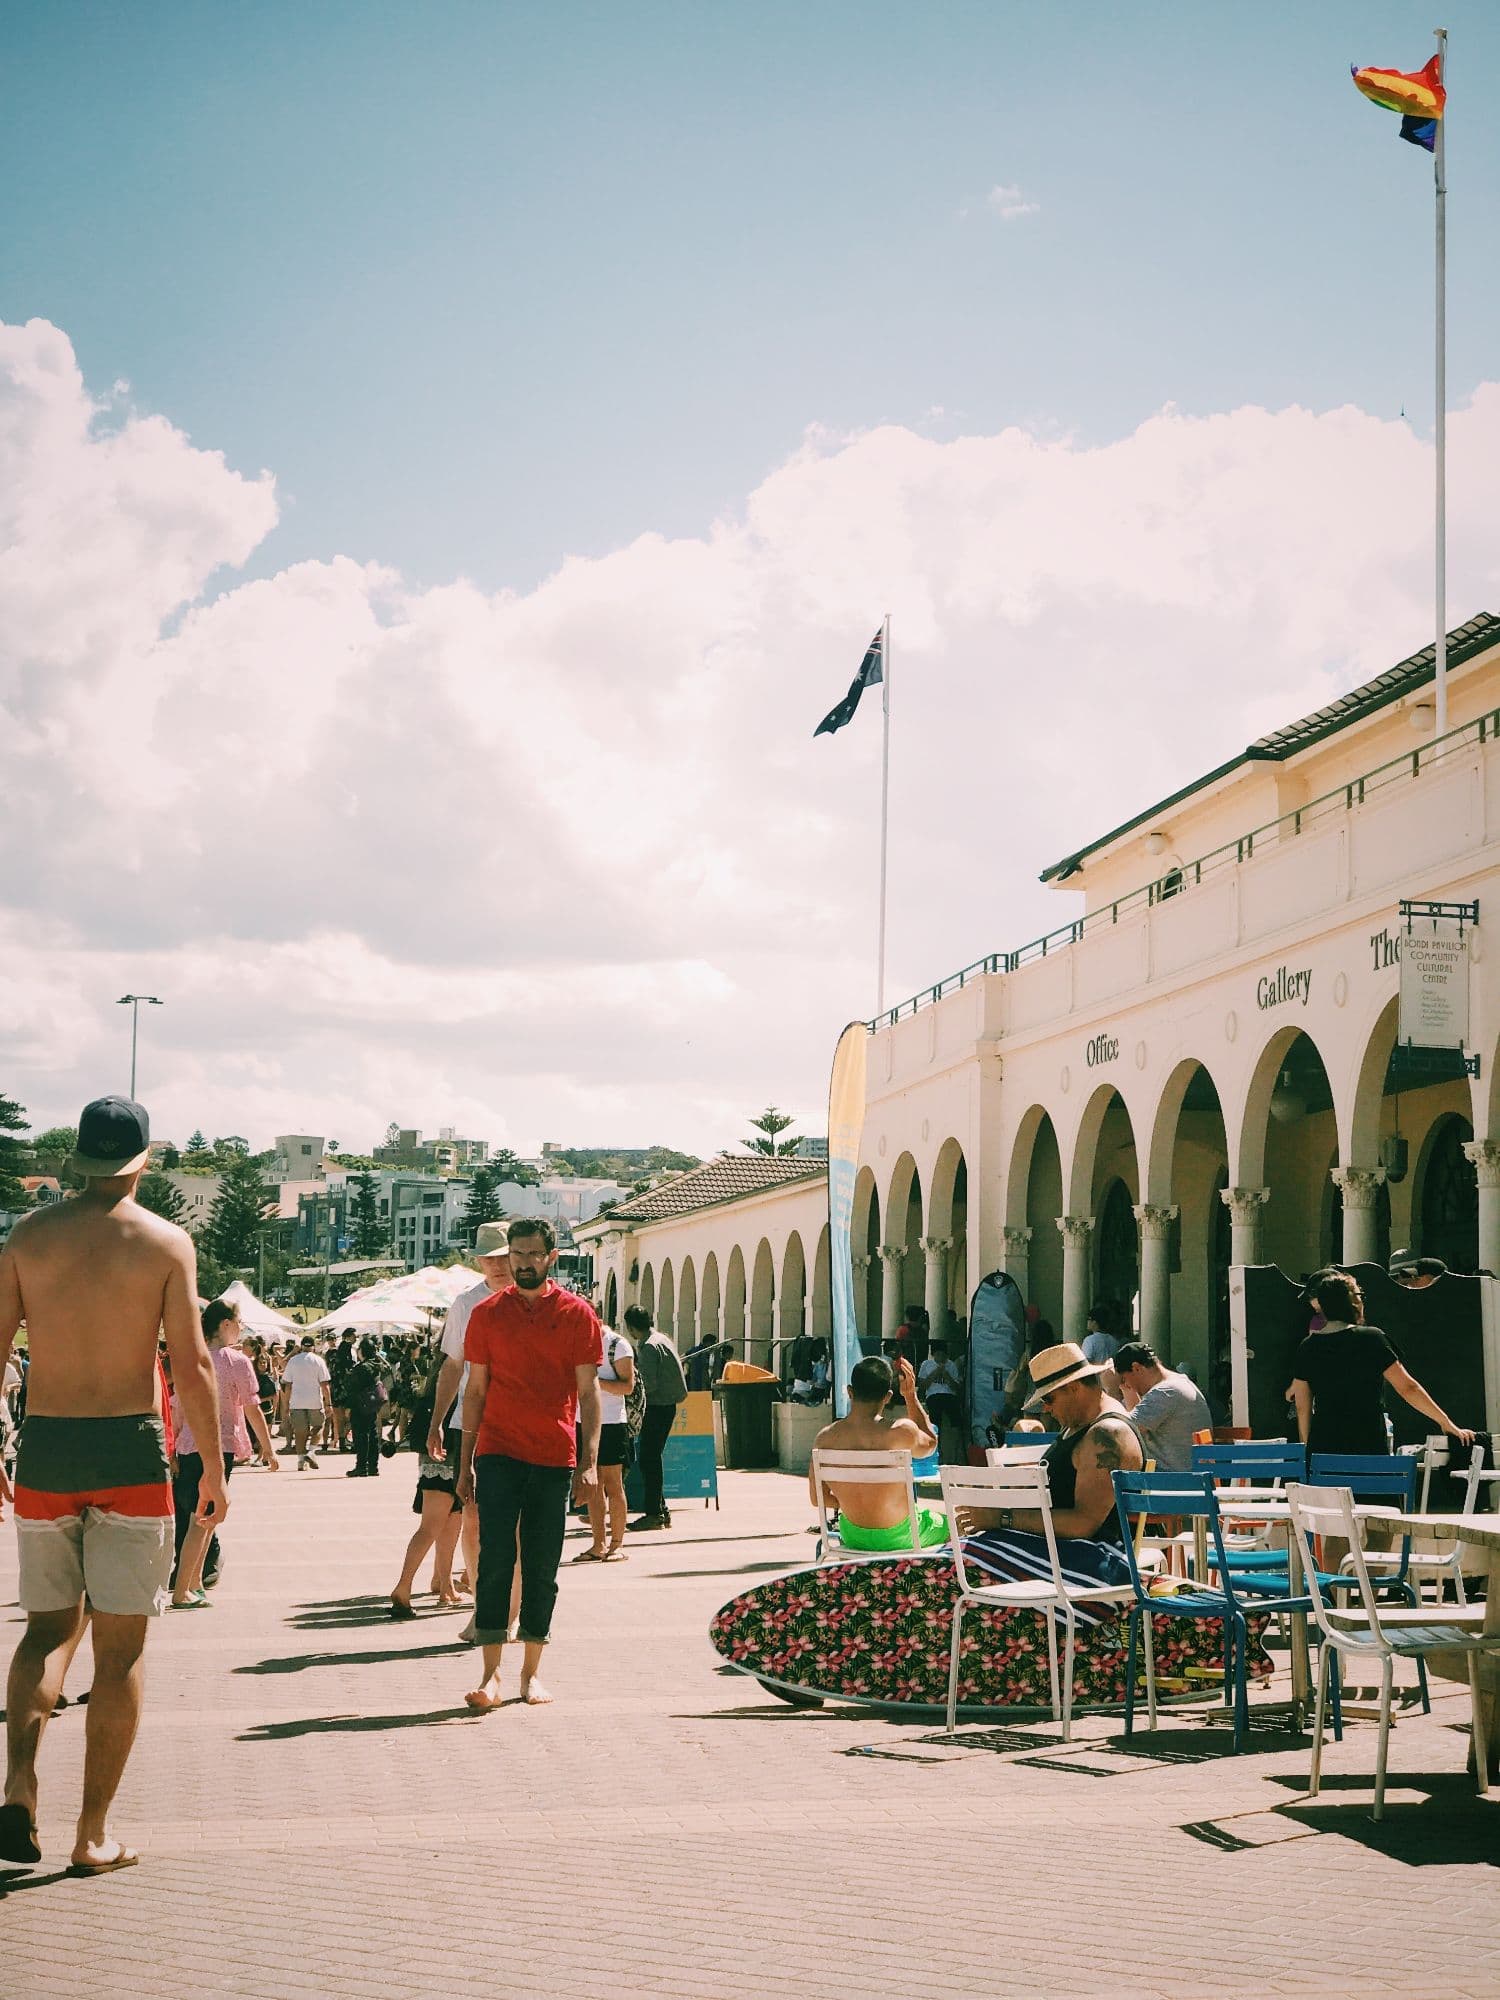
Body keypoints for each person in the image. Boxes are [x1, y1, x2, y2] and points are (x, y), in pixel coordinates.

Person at [0, 1095, 227, 1873]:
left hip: (48, 1449)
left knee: (44, 1630)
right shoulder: (166, 1244)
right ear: (143, 1161)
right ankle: (91, 1834)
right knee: (120, 1651)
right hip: (131, 1450)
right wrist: (216, 1473)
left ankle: (19, 1781)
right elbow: (192, 1366)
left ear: (76, 1162)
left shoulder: (26, 1238)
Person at [457, 1218, 603, 1710]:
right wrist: (464, 1464)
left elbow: (589, 1391)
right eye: (514, 1254)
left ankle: (531, 1674)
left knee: (542, 1567)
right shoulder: (486, 1314)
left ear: (551, 1257)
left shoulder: (578, 1315)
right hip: (497, 1450)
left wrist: (589, 1462)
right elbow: (474, 1391)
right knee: (496, 1560)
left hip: (553, 1455)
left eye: (531, 1254)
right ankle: (491, 1674)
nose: (521, 1263)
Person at [954, 1341, 1145, 1609]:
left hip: (1092, 1559)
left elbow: (1084, 1523)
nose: (1045, 1408)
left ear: (1073, 1387)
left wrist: (1000, 1517)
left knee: (950, 1569)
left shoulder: (1107, 1434)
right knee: (953, 1559)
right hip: (1061, 1549)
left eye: (1048, 1398)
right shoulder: (1082, 1425)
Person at [1291, 1270, 1473, 1456]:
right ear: (1352, 1301)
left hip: (1324, 1452)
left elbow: (1302, 1406)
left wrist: (1308, 1448)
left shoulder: (1307, 1347)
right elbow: (1408, 1388)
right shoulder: (1372, 1339)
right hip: (1367, 1448)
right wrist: (1445, 1422)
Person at [171, 1300, 279, 1605]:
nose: (241, 1327)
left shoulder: (194, 1357)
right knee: (203, 1518)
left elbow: (178, 1405)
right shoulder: (236, 1361)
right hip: (219, 1446)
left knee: (206, 1517)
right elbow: (252, 1408)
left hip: (189, 1443)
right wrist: (268, 1448)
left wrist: (175, 1446)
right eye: (239, 1321)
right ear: (225, 1325)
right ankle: (182, 1590)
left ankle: (193, 1584)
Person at [808, 1355, 946, 1552]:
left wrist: (853, 1500)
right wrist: (910, 1396)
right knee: (957, 1525)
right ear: (888, 1396)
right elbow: (930, 1443)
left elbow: (817, 1499)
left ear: (850, 1392)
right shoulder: (902, 1431)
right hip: (902, 1533)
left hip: (853, 1535)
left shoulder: (824, 1439)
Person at [574, 1318, 635, 1561]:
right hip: (582, 1422)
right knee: (593, 1484)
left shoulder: (617, 1345)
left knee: (613, 1483)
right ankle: (598, 1543)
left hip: (611, 1422)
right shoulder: (577, 1344)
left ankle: (617, 1544)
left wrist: (592, 1382)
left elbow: (627, 1386)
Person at [627, 1305, 688, 1531]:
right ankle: (660, 1510)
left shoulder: (650, 1348)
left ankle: (654, 1513)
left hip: (657, 1407)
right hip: (665, 1405)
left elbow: (647, 1384)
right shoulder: (661, 1339)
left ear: (631, 1328)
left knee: (648, 1459)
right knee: (651, 1458)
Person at [1113, 1341, 1211, 1472]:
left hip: (1174, 1483)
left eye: (1124, 1379)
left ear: (1136, 1368)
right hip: (1191, 1478)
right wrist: (1125, 1389)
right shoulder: (1179, 1382)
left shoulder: (1164, 1392)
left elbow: (1121, 1431)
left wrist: (1111, 1389)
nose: (1128, 1385)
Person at [281, 1334, 333, 1469]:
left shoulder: (293, 1361)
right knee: (318, 1427)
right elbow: (325, 1384)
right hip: (314, 1401)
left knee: (300, 1432)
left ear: (301, 1346)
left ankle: (300, 1461)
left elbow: (288, 1385)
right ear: (313, 1347)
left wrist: (286, 1405)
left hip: (296, 1401)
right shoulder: (319, 1361)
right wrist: (328, 1403)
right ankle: (311, 1451)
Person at [345, 1336, 387, 1478]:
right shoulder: (377, 1365)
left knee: (361, 1435)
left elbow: (353, 1387)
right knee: (373, 1434)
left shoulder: (362, 1367)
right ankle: (373, 1466)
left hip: (360, 1404)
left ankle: (361, 1466)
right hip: (372, 1403)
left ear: (362, 1351)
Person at [918, 1337, 965, 1462]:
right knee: (935, 1420)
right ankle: (935, 1452)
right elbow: (922, 1386)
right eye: (938, 1354)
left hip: (949, 1396)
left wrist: (946, 1375)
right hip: (934, 1396)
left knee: (956, 1420)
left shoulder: (952, 1365)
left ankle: (957, 1452)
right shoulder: (926, 1364)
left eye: (943, 1355)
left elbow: (956, 1388)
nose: (941, 1357)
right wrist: (935, 1372)